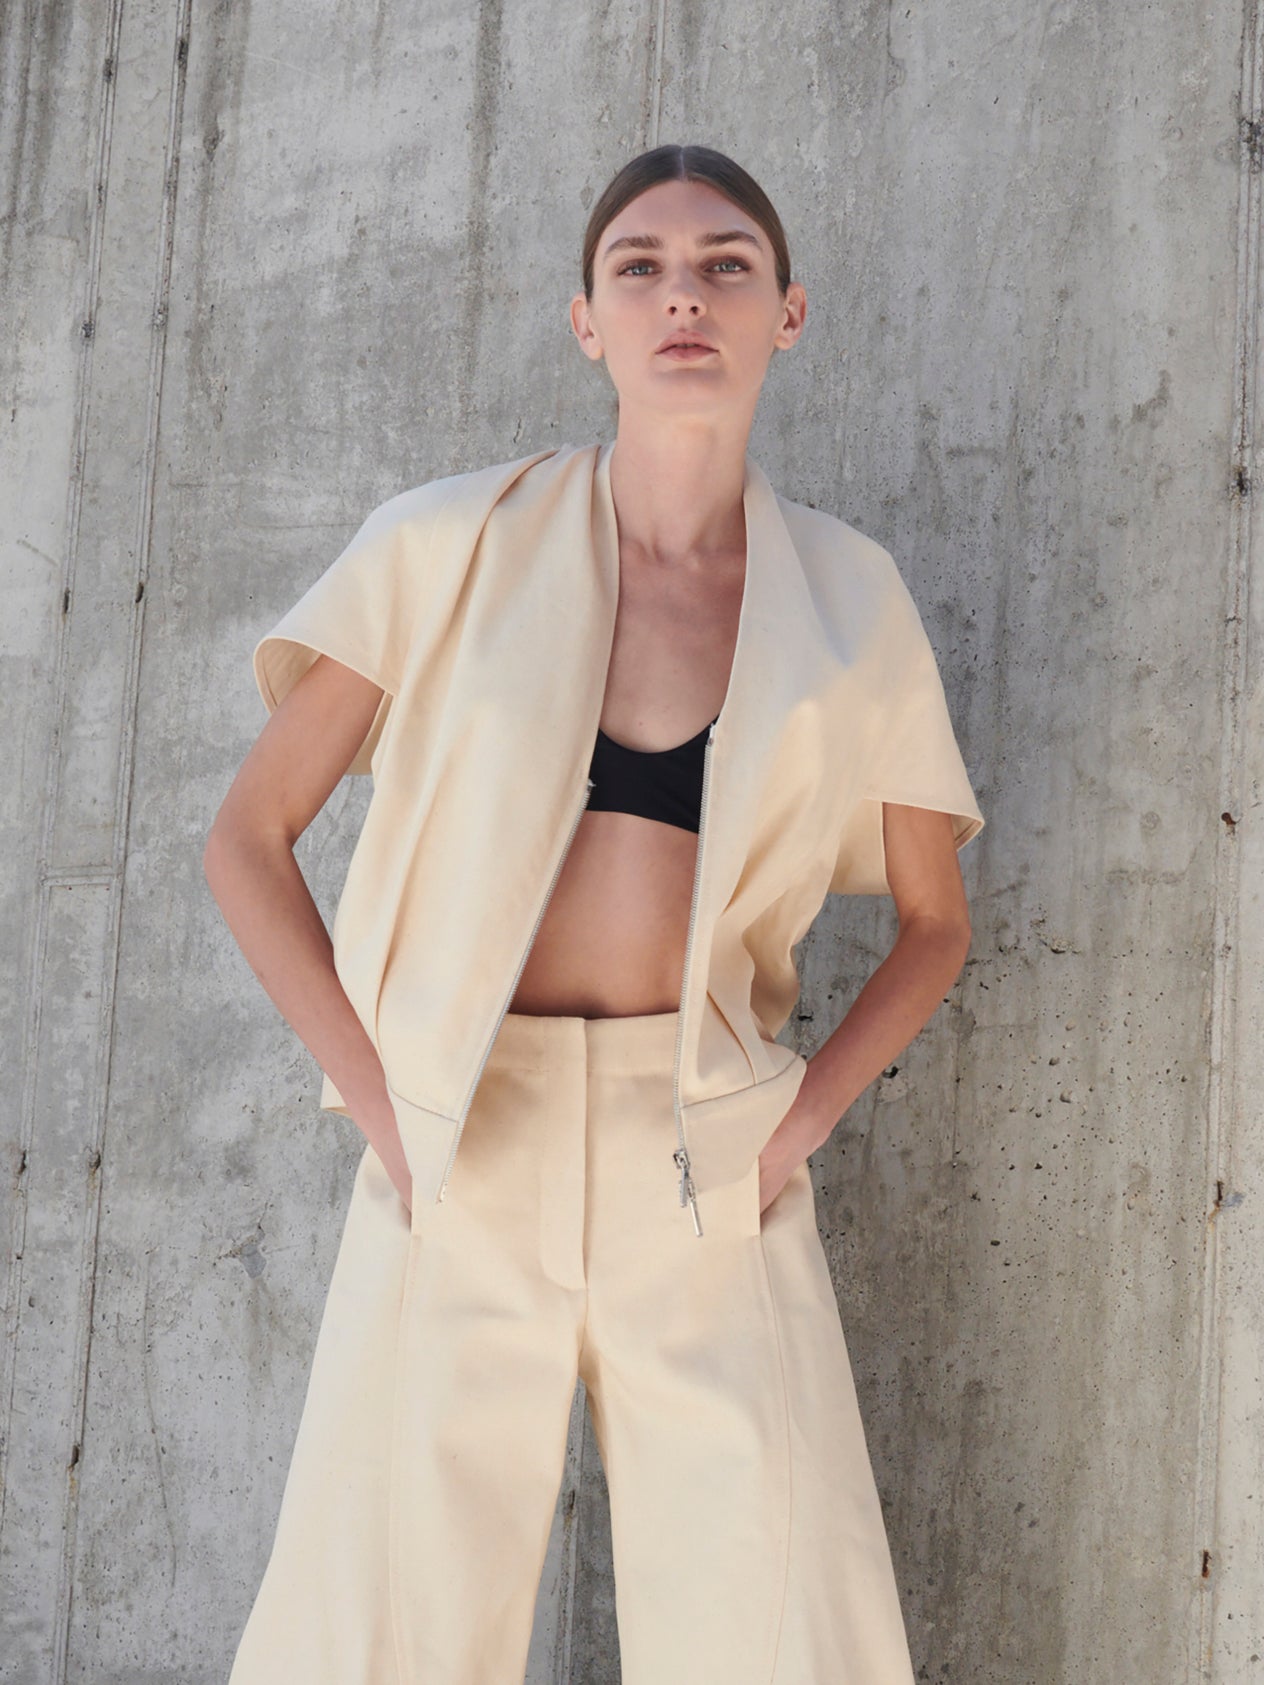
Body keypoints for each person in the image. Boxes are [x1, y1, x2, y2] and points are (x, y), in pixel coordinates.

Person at [206, 142, 984, 1685]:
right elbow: (246, 837)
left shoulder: (850, 596)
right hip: (456, 1137)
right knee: (376, 1630)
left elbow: (933, 919)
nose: (680, 291)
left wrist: (797, 1123)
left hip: (707, 1148)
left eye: (723, 265)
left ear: (790, 313)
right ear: (586, 320)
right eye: (638, 265)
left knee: (782, 1630)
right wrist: (383, 1107)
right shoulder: (442, 544)